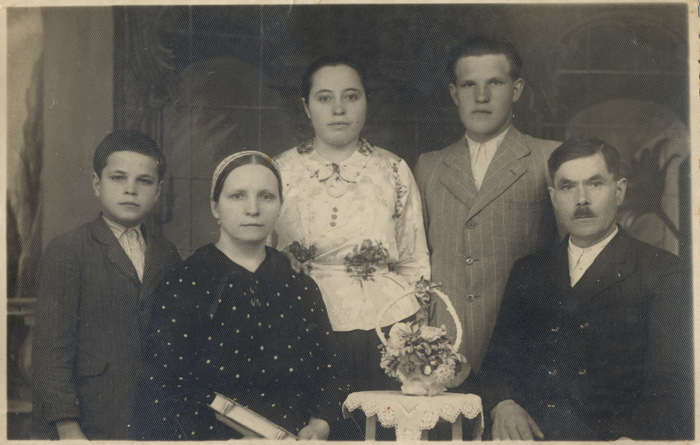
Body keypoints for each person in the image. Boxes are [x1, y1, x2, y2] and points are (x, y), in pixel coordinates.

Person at [478, 137, 693, 440]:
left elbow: (671, 384)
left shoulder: (662, 270)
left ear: (619, 191)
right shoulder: (528, 271)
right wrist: (504, 404)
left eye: (595, 184)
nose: (581, 200)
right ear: (554, 197)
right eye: (568, 187)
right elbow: (497, 364)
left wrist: (633, 438)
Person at [133, 151, 339, 441]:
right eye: (237, 196)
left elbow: (329, 371)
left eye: (266, 196)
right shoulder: (185, 282)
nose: (252, 209)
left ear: (280, 206)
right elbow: (165, 388)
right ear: (215, 206)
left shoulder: (299, 285)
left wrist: (319, 425)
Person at [273, 55, 430, 397]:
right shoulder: (279, 171)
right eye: (324, 98)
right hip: (301, 321)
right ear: (306, 107)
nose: (338, 109)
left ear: (366, 102)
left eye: (351, 96)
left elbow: (413, 259)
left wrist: (414, 336)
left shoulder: (393, 170)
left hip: (385, 325)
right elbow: (261, 253)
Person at [414, 34, 560, 386]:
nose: (481, 96)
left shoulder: (548, 158)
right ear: (454, 94)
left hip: (522, 351)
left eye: (495, 82)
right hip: (443, 353)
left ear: (517, 89)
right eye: (469, 85)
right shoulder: (428, 166)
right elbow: (415, 262)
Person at [31, 131, 181, 440]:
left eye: (144, 181)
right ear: (97, 184)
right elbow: (51, 352)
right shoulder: (68, 250)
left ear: (157, 191)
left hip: (153, 419)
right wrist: (67, 427)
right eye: (118, 177)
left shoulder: (167, 253)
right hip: (90, 419)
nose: (130, 189)